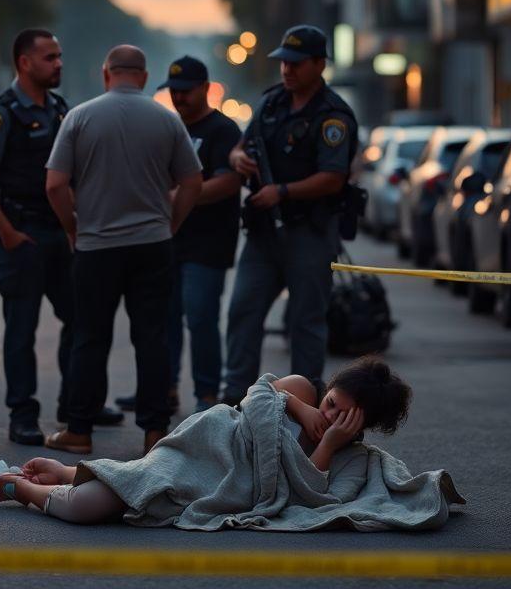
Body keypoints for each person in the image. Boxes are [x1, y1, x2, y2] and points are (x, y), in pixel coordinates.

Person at [0, 358, 458, 532]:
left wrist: (330, 444)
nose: (329, 416)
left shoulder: (352, 457)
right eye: (332, 402)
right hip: (208, 443)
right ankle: (57, 481)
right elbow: (252, 399)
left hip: (225, 486)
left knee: (106, 500)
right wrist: (301, 408)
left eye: (343, 417)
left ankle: (33, 488)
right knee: (95, 503)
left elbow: (314, 500)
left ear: (361, 426)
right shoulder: (301, 391)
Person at [44, 45, 203, 457]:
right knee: (152, 337)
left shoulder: (79, 117)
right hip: (152, 245)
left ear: (106, 73)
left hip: (96, 248)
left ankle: (79, 430)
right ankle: (154, 432)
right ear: (145, 77)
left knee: (89, 337)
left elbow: (55, 185)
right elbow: (192, 181)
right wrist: (172, 224)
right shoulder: (167, 120)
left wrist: (73, 228)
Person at [0, 29, 123, 447]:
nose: (58, 64)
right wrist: (7, 232)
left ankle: (76, 405)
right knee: (21, 328)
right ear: (24, 62)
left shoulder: (59, 109)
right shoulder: (3, 114)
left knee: (79, 319)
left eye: (59, 56)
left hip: (61, 232)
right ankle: (22, 414)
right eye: (49, 58)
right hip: (24, 234)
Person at [221, 25, 360, 406]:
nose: (287, 70)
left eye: (296, 64)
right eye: (283, 62)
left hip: (310, 233)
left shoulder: (333, 116)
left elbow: (333, 178)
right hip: (265, 234)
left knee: (305, 324)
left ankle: (305, 408)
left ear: (319, 64)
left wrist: (281, 191)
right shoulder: (271, 104)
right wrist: (238, 159)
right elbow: (238, 147)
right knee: (242, 314)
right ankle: (235, 402)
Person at [115, 56, 241, 415]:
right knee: (161, 319)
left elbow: (230, 182)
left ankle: (206, 395)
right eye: (174, 92)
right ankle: (161, 389)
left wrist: (180, 195)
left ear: (205, 88)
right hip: (166, 239)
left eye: (186, 91)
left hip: (208, 241)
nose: (180, 98)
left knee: (200, 317)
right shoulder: (166, 126)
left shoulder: (222, 130)